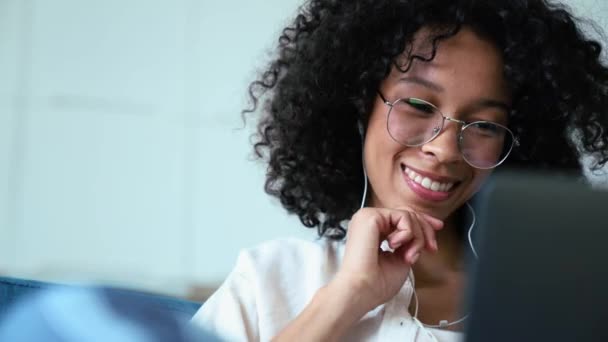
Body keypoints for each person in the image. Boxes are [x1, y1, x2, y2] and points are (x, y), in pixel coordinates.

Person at [192, 0, 608, 341]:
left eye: (483, 125)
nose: (444, 150)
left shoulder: (549, 308)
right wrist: (348, 295)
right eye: (419, 106)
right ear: (359, 106)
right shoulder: (271, 280)